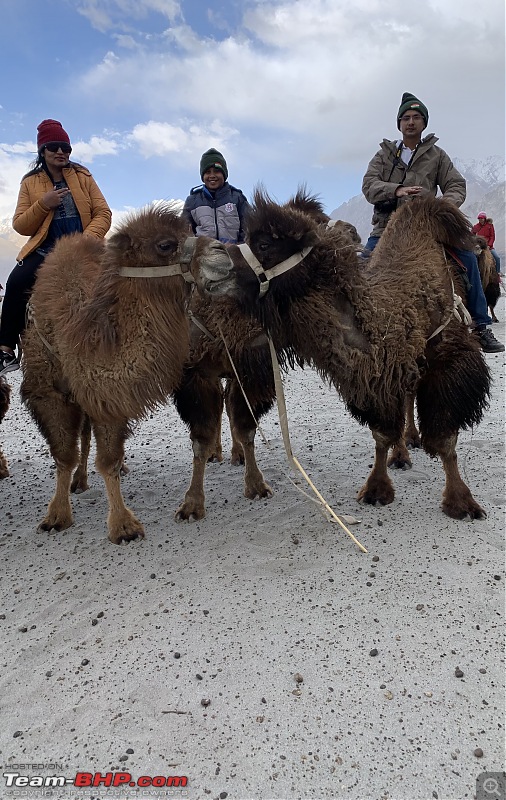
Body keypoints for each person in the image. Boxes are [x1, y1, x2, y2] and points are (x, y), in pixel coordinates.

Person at [362, 92, 504, 354]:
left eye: (416, 117)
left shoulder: (437, 155)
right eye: (406, 118)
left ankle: (481, 327)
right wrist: (397, 190)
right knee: (362, 267)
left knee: (468, 259)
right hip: (387, 227)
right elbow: (369, 185)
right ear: (399, 123)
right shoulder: (383, 156)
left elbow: (456, 184)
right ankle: (359, 330)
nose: (411, 122)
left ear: (424, 123)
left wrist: (442, 207)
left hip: (427, 227)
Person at [0, 119, 112, 377]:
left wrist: (88, 239)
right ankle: (6, 349)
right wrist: (43, 203)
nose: (61, 152)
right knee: (16, 283)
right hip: (45, 252)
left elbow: (103, 213)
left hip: (84, 249)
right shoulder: (30, 182)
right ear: (43, 151)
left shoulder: (83, 175)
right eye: (54, 147)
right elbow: (20, 225)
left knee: (120, 282)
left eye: (66, 148)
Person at [182, 148, 249, 244]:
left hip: (233, 255)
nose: (212, 176)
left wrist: (238, 248)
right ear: (202, 176)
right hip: (203, 255)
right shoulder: (192, 201)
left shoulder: (237, 197)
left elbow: (248, 230)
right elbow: (184, 232)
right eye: (208, 172)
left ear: (224, 174)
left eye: (217, 171)